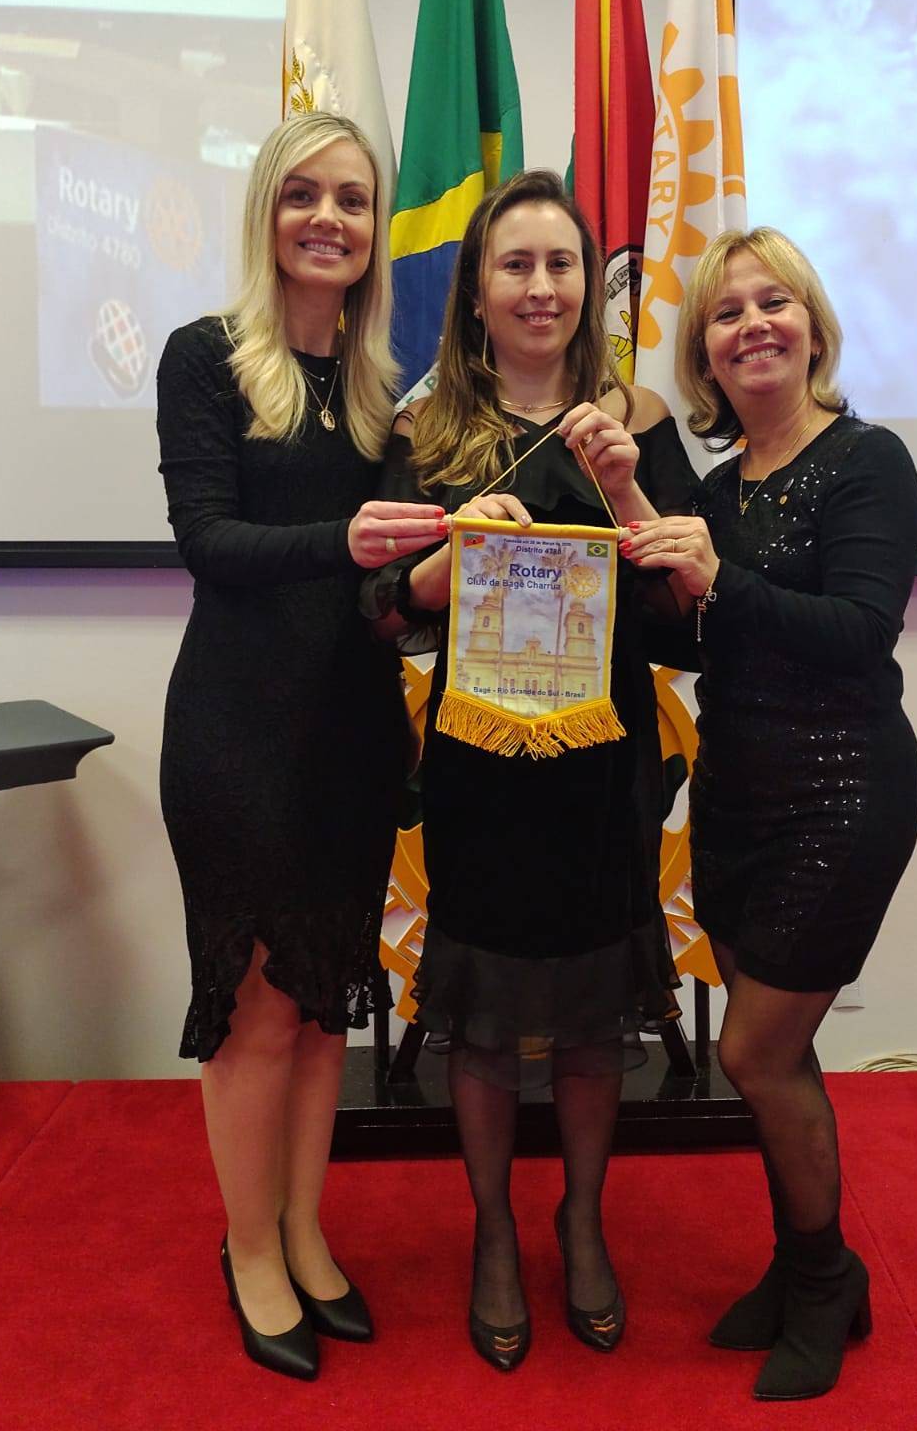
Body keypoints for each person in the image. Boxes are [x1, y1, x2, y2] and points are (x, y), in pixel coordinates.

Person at [366, 169, 697, 1371]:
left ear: (588, 287)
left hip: (603, 774)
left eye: (562, 263)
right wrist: (448, 559)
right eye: (516, 264)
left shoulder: (638, 420)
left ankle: (583, 1220)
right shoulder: (424, 433)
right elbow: (382, 607)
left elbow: (687, 618)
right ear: (476, 290)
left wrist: (626, 484)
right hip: (482, 776)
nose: (542, 286)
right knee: (487, 1025)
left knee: (597, 1021)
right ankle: (496, 1231)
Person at [157, 112, 446, 1381]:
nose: (329, 218)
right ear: (267, 212)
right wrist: (348, 541)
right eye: (304, 195)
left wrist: (448, 561)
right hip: (237, 734)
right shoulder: (207, 358)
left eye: (352, 200)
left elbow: (389, 598)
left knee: (326, 1012)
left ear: (376, 230)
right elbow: (208, 542)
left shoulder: (386, 399)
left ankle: (307, 1229)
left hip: (352, 736)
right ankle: (250, 1247)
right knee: (259, 1017)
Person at [624, 227, 917, 1401]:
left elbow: (860, 631)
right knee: (776, 1054)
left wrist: (722, 580)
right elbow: (692, 640)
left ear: (811, 324)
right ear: (704, 350)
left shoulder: (868, 461)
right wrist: (617, 526)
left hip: (842, 790)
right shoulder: (714, 489)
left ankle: (823, 1276)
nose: (752, 324)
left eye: (773, 302)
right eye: (726, 311)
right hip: (737, 791)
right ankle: (811, 1267)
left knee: (752, 1049)